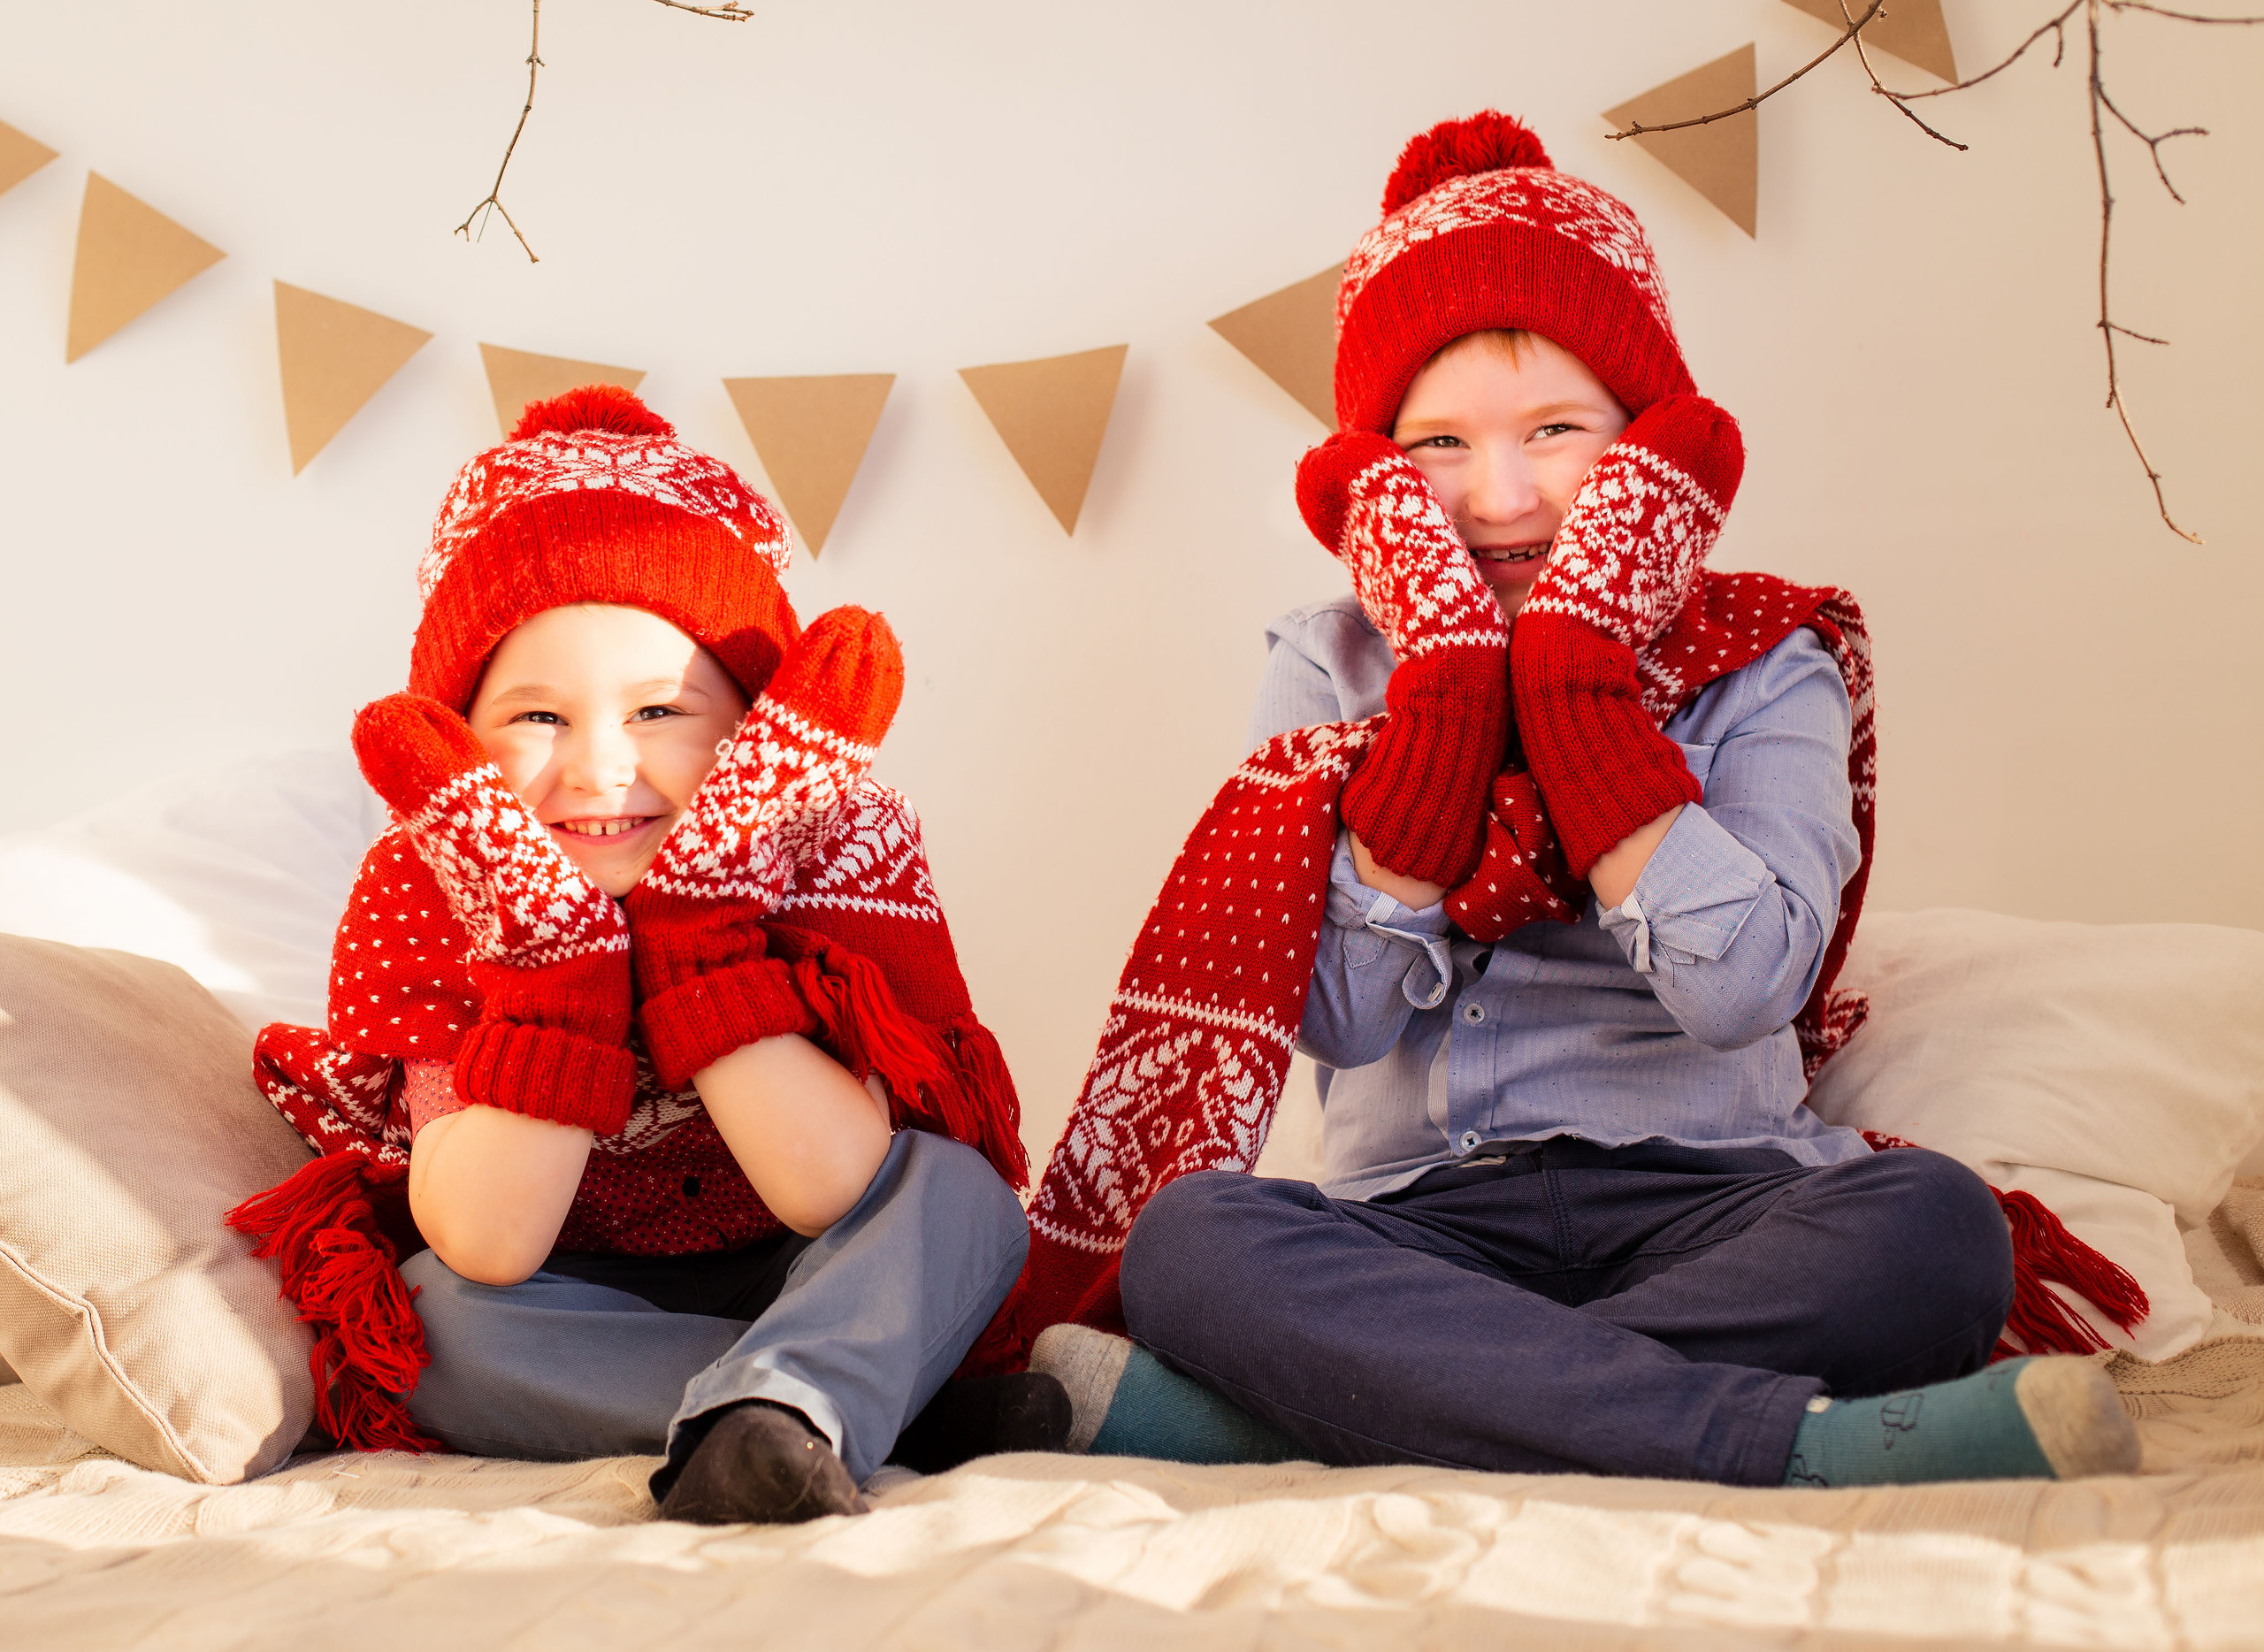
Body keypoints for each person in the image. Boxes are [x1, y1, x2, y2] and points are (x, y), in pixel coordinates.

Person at [1012, 113, 2140, 1488]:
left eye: (1557, 431)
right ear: (1369, 469)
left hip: (1717, 1200)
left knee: (1935, 1229)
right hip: (1422, 1223)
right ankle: (1774, 1441)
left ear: (1650, 445)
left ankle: (1355, 1408)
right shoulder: (1330, 664)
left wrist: (1574, 692)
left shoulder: (1769, 658)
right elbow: (1342, 1022)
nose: (1499, 497)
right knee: (1192, 1244)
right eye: (1436, 445)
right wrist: (1439, 705)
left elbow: (1745, 992)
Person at [229, 386, 1066, 1526]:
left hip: (805, 1259)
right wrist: (554, 968)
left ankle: (812, 1390)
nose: (600, 768)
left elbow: (832, 1187)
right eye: (535, 718)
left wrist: (700, 937)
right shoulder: (428, 886)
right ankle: (848, 1404)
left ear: (756, 727)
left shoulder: (822, 841)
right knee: (426, 1324)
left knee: (963, 1202)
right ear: (458, 739)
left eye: (663, 711)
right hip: (573, 1290)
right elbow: (485, 1240)